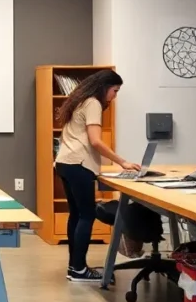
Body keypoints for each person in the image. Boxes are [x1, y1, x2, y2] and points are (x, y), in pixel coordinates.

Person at [54, 69, 139, 283]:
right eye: (115, 91)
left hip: (65, 162)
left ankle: (75, 267)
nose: (114, 96)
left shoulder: (78, 101)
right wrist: (122, 162)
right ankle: (79, 269)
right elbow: (96, 141)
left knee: (76, 215)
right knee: (86, 215)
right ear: (104, 87)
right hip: (79, 164)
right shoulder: (93, 103)